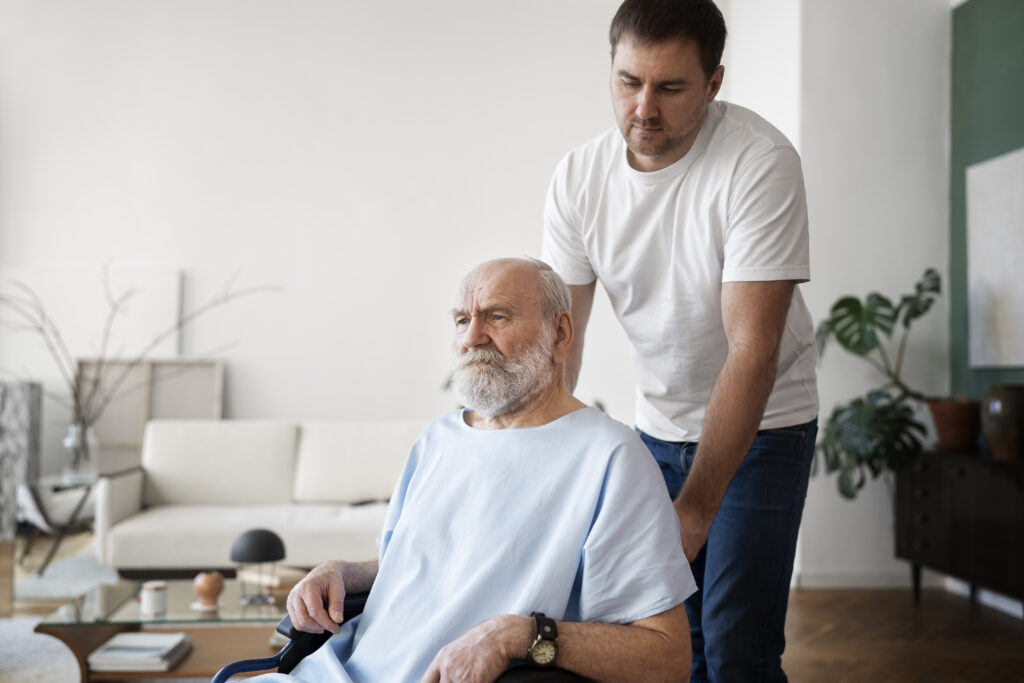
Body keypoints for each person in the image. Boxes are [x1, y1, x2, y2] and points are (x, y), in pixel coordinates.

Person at [541, 1, 819, 681]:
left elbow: (752, 348)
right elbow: (560, 345)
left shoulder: (758, 163)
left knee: (735, 647)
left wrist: (695, 508)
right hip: (655, 427)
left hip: (765, 426)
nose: (644, 108)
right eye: (629, 82)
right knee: (667, 645)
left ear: (714, 83)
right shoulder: (579, 179)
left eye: (670, 88)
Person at [262, 257, 697, 683]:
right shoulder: (438, 440)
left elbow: (666, 656)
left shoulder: (610, 456)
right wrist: (345, 573)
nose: (472, 337)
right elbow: (431, 565)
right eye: (460, 320)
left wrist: (523, 635)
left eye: (497, 316)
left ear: (560, 333)